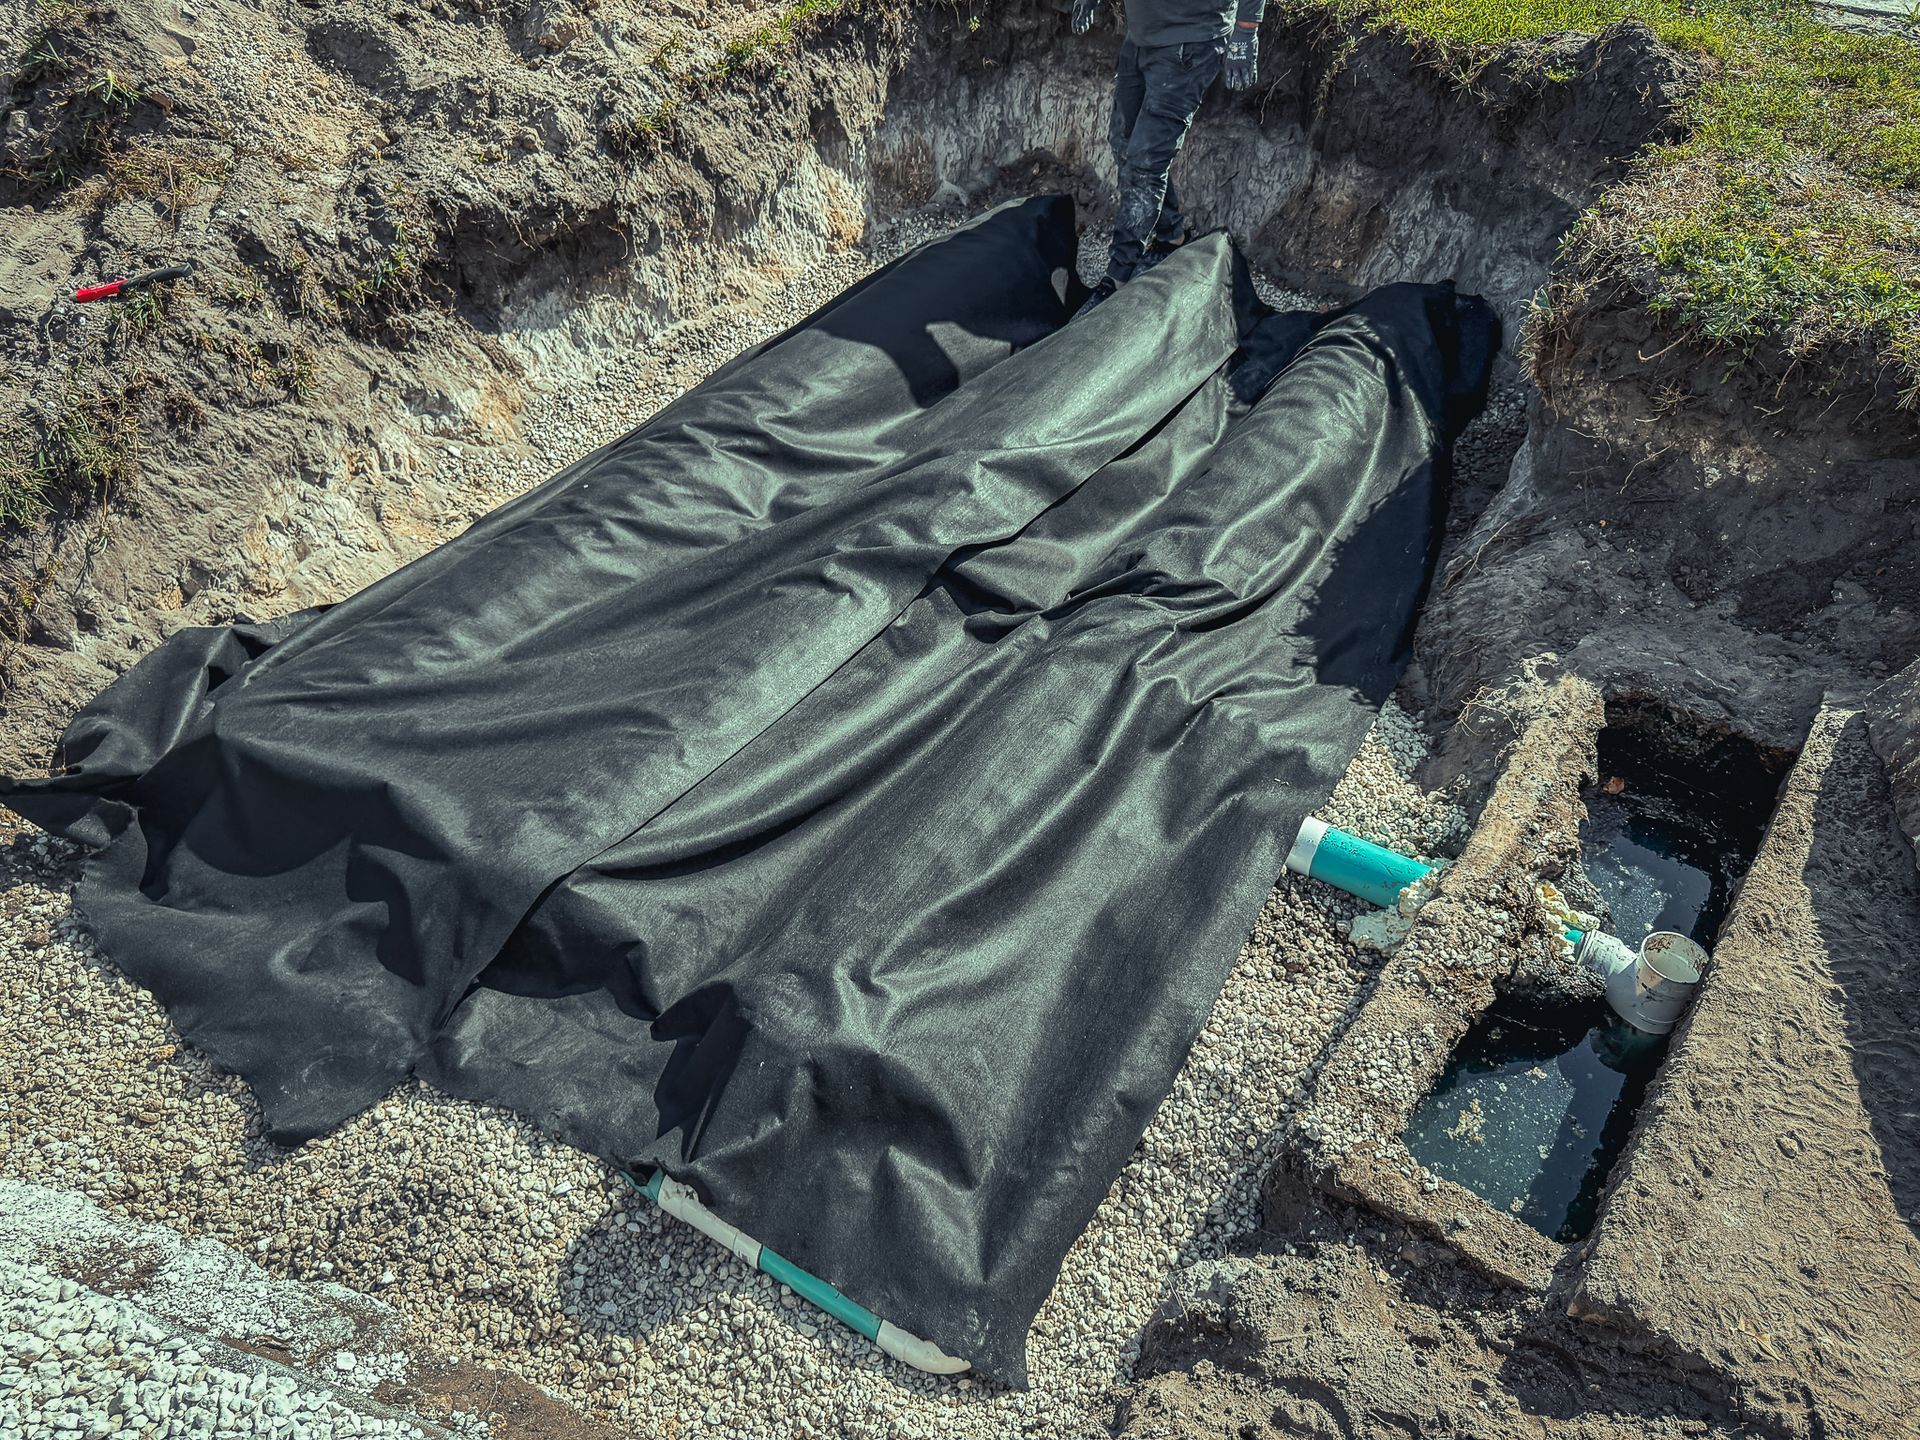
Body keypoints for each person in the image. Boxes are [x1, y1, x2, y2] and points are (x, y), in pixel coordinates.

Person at [1071, 0, 1262, 312]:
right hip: (1142, 35)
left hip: (1190, 43)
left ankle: (1118, 276)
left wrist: (1246, 31)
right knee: (1125, 142)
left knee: (1146, 163)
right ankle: (1171, 235)